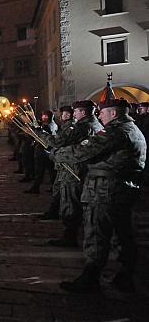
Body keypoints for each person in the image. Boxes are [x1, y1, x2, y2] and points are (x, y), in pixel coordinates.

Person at [56, 92, 146, 294]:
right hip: (122, 189)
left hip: (106, 190)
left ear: (113, 113)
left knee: (97, 233)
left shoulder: (117, 131)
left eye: (103, 113)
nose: (100, 116)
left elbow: (85, 151)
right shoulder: (131, 129)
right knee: (122, 234)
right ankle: (125, 275)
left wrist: (57, 154)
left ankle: (90, 277)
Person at [43, 101, 102, 247]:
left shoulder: (84, 127)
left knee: (71, 204)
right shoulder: (94, 125)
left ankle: (70, 236)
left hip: (75, 170)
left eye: (75, 112)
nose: (73, 114)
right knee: (75, 203)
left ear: (83, 112)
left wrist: (56, 153)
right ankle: (73, 233)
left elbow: (62, 143)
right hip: (81, 170)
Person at [25, 110, 58, 194]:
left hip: (46, 151)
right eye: (43, 116)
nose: (44, 118)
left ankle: (53, 188)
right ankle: (37, 187)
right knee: (41, 170)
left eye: (46, 116)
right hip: (42, 150)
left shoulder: (51, 125)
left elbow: (48, 137)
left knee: (49, 171)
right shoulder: (45, 125)